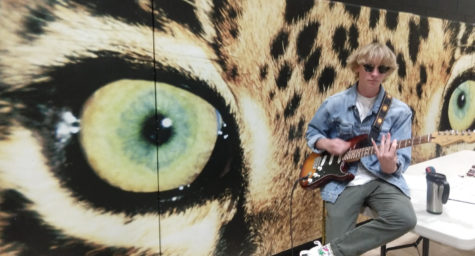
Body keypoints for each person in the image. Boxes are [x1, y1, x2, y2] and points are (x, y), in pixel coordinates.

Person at [301, 42, 417, 256]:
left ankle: (326, 252)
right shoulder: (334, 103)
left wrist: (388, 164)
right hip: (341, 180)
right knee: (339, 242)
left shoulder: (400, 111)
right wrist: (327, 143)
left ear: (388, 72)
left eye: (382, 69)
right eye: (368, 67)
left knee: (405, 218)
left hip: (381, 179)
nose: (374, 74)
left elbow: (400, 161)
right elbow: (312, 133)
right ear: (357, 67)